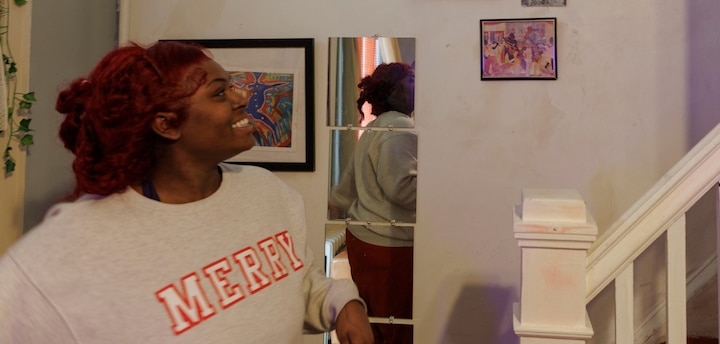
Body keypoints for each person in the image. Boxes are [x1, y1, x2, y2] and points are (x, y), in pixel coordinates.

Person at [0, 41, 374, 344]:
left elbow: (291, 282)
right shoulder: (60, 258)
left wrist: (342, 302)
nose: (242, 97)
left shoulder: (266, 192)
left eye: (232, 85)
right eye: (219, 92)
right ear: (166, 124)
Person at [329, 62, 417, 344]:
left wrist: (334, 201)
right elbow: (402, 190)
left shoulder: (373, 128)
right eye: (411, 81)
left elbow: (348, 183)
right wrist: (442, 187)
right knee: (396, 331)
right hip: (389, 245)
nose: (417, 87)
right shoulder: (401, 127)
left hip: (363, 239)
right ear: (393, 91)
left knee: (376, 326)